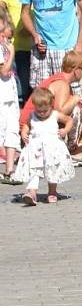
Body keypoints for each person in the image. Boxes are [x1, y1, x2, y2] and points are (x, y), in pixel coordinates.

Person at [14, 86, 75, 205]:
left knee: (52, 170)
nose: (41, 113)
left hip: (52, 148)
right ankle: (31, 193)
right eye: (39, 110)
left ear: (51, 105)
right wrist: (24, 132)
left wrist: (65, 130)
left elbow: (69, 120)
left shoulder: (55, 115)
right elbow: (27, 125)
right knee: (34, 170)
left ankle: (52, 192)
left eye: (45, 111)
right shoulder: (32, 115)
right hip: (35, 149)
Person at [0, 15, 19, 184]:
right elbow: (4, 71)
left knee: (11, 129)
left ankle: (9, 169)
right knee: (3, 129)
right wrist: (11, 52)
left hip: (8, 93)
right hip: (2, 94)